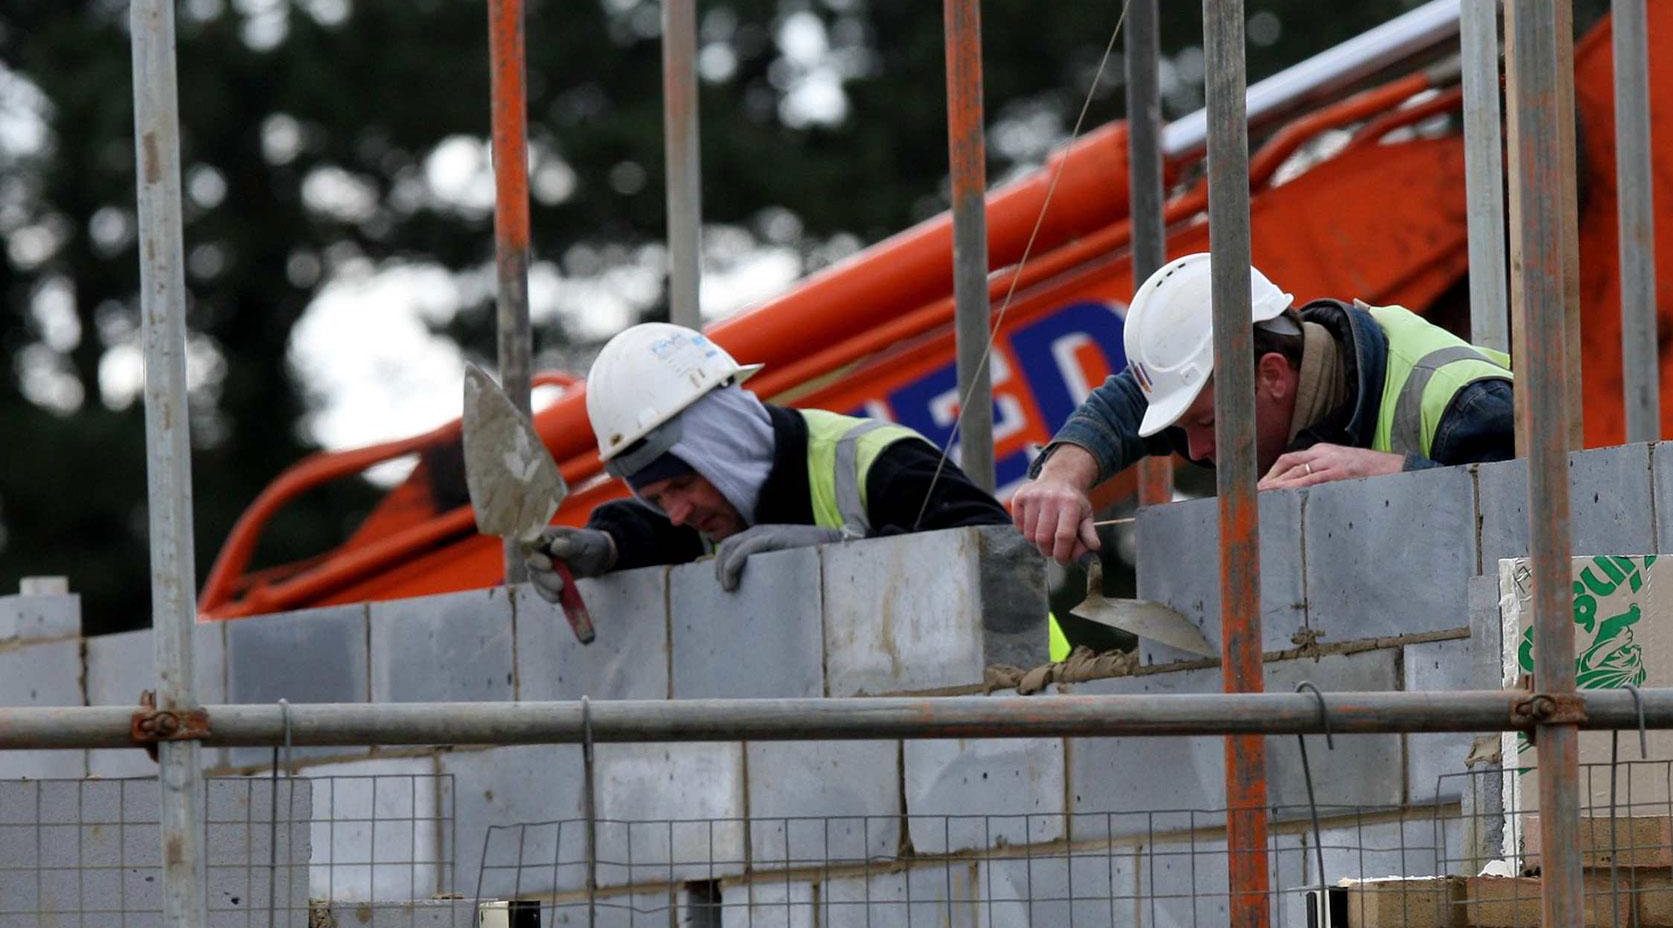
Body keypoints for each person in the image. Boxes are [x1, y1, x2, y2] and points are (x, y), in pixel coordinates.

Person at [1011, 253, 1516, 562]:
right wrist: (1061, 476)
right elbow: (1126, 402)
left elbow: (1563, 523)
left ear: (1272, 374)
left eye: (1207, 424)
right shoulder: (1244, 382)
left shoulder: (1459, 401)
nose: (1196, 449)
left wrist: (1398, 475)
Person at [522, 322, 1012, 598]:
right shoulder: (710, 511)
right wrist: (606, 547)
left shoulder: (878, 462)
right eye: (656, 498)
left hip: (1019, 715)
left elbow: (1002, 557)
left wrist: (838, 553)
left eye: (681, 485)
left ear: (724, 444)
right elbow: (654, 534)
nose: (677, 512)